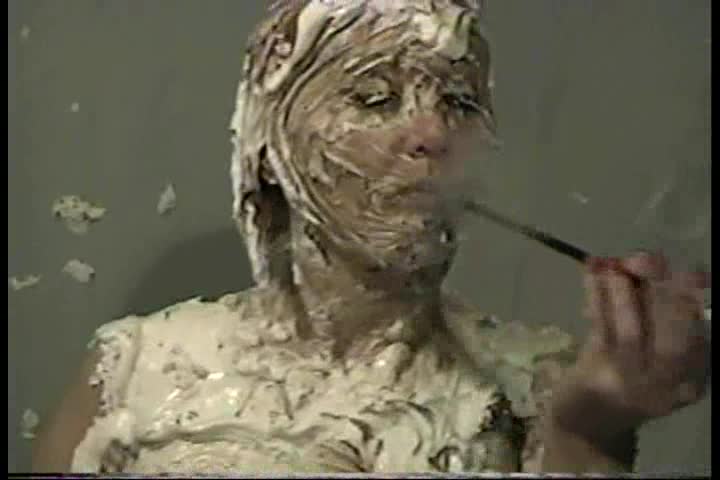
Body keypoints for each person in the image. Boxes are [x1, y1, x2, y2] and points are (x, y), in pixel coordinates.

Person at [32, 0, 710, 473]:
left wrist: (587, 435)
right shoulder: (136, 374)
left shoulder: (543, 387)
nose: (433, 134)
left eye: (460, 102)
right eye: (375, 98)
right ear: (269, 147)